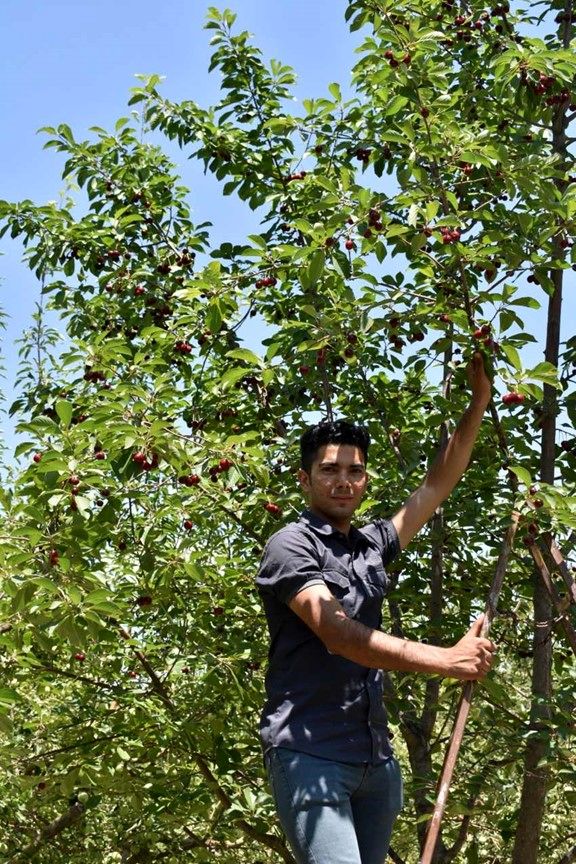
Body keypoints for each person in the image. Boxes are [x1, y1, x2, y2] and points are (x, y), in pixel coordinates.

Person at [255, 352, 496, 864]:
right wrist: (446, 660)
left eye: (354, 471)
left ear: (365, 480)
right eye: (329, 470)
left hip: (375, 762)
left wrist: (479, 402)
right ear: (304, 478)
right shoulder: (290, 545)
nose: (343, 481)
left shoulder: (371, 544)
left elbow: (437, 483)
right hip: (310, 754)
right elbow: (337, 633)